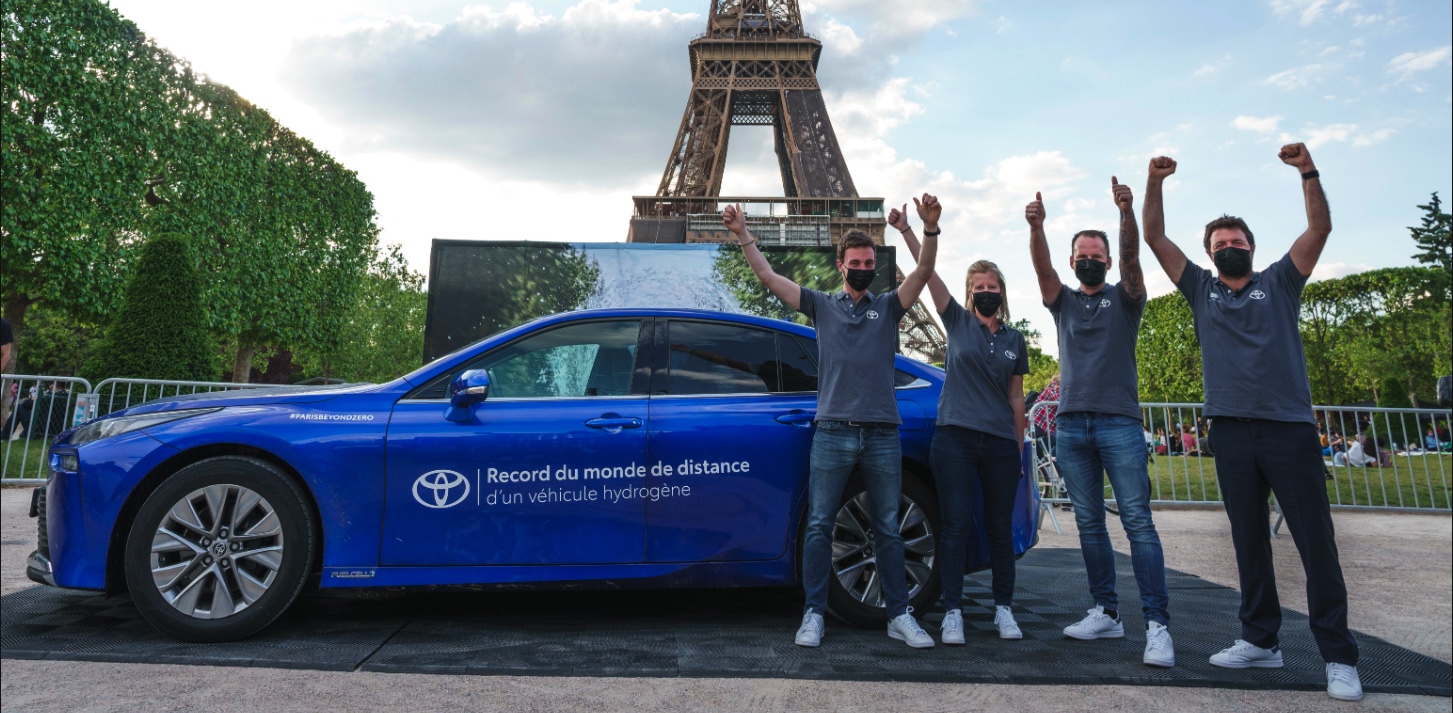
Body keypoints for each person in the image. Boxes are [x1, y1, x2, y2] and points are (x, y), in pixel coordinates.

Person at [1143, 144, 1363, 701]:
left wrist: (1307, 171)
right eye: (1220, 245)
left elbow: (1319, 228)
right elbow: (1155, 237)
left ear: (1252, 248)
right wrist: (1155, 182)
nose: (1229, 248)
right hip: (1231, 431)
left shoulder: (1281, 281)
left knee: (1316, 543)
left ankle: (1339, 656)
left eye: (1237, 242)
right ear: (1210, 255)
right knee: (1248, 542)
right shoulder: (1201, 290)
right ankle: (1261, 639)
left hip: (1288, 427)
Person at [722, 198, 939, 649]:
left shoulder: (888, 308)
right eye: (855, 263)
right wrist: (743, 234)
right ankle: (814, 613)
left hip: (881, 433)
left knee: (887, 527)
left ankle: (899, 614)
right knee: (820, 524)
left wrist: (925, 229)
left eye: (868, 263)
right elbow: (769, 278)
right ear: (841, 266)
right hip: (834, 430)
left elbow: (922, 273)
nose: (862, 269)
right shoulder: (821, 305)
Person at [1027, 178, 1174, 668]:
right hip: (1071, 425)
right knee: (1089, 523)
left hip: (1118, 422)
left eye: (1097, 255)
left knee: (1137, 522)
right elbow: (1042, 269)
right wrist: (1037, 228)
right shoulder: (1063, 301)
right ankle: (1106, 611)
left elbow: (1133, 261)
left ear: (1107, 262)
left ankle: (1157, 624)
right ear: (1073, 262)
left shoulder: (1126, 299)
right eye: (1082, 256)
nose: (1089, 261)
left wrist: (1126, 212)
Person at [898, 212, 1029, 645]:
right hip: (955, 436)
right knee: (954, 526)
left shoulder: (1014, 340)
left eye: (993, 288)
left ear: (1001, 293)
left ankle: (1003, 609)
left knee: (999, 529)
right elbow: (927, 272)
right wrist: (910, 231)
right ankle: (952, 611)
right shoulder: (956, 320)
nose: (986, 293)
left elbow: (1016, 397)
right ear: (970, 292)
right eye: (979, 287)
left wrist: (1018, 447)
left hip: (999, 443)